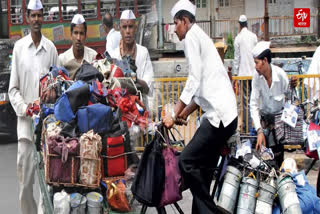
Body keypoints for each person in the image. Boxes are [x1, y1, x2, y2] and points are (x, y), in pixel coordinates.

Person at [162, 0, 238, 213]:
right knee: (202, 171)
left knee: (185, 161)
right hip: (225, 116)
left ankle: (209, 211)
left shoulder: (191, 38)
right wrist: (184, 113)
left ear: (185, 22)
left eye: (175, 23)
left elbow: (194, 79)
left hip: (219, 117)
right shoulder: (200, 38)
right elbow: (202, 90)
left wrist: (173, 113)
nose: (174, 28)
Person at [8, 0, 59, 213]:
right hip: (26, 130)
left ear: (43, 18)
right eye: (33, 15)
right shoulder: (19, 48)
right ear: (27, 17)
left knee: (47, 186)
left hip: (48, 130)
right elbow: (13, 90)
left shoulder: (51, 49)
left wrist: (52, 96)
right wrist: (26, 108)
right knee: (25, 186)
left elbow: (59, 86)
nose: (37, 19)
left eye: (40, 15)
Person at [250, 41, 297, 168]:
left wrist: (293, 86)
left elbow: (290, 99)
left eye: (256, 62)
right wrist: (259, 130)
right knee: (262, 162)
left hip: (279, 126)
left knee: (278, 160)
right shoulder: (256, 78)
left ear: (265, 60)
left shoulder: (281, 75)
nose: (255, 66)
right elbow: (253, 104)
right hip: (264, 124)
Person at [110, 9, 154, 107]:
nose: (128, 31)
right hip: (120, 108)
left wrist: (134, 79)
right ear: (120, 29)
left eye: (130, 27)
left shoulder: (143, 52)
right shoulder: (114, 55)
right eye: (124, 27)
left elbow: (148, 87)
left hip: (140, 107)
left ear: (135, 28)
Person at [233, 14, 258, 133]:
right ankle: (255, 126)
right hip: (254, 74)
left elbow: (236, 59)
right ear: (247, 24)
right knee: (254, 101)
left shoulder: (238, 38)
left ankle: (246, 128)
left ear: (239, 25)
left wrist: (235, 76)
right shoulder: (253, 37)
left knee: (245, 103)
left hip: (243, 75)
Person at [59, 14, 97, 79]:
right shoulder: (62, 60)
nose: (78, 38)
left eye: (81, 33)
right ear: (71, 35)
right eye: (76, 33)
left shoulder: (93, 57)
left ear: (85, 36)